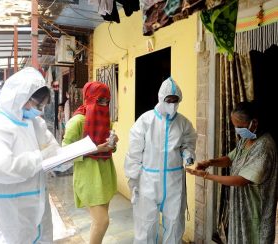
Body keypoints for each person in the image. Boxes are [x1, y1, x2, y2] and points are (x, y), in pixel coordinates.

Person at [0, 67, 60, 243]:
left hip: (37, 209)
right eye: (38, 105)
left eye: (43, 105)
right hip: (8, 213)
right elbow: (0, 168)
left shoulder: (34, 123)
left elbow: (53, 149)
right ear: (21, 99)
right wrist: (41, 157)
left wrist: (64, 158)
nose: (40, 110)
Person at [186, 101, 278, 244]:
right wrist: (209, 162)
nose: (237, 130)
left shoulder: (265, 146)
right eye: (235, 127)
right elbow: (230, 158)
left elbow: (241, 180)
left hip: (255, 212)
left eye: (240, 127)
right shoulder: (246, 140)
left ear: (254, 123)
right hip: (241, 210)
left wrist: (206, 176)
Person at [124, 77, 197, 244]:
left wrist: (188, 153)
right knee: (146, 227)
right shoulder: (145, 121)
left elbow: (189, 142)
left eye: (175, 100)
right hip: (148, 182)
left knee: (174, 225)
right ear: (161, 98)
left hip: (174, 182)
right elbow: (134, 154)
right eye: (168, 100)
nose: (172, 104)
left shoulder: (183, 123)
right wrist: (133, 182)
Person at [62, 81, 117, 244]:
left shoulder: (107, 119)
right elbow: (65, 153)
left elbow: (109, 149)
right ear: (89, 98)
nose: (104, 104)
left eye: (107, 101)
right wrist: (95, 150)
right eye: (100, 100)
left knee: (98, 222)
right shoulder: (77, 121)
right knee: (102, 221)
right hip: (88, 178)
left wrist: (112, 145)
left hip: (106, 175)